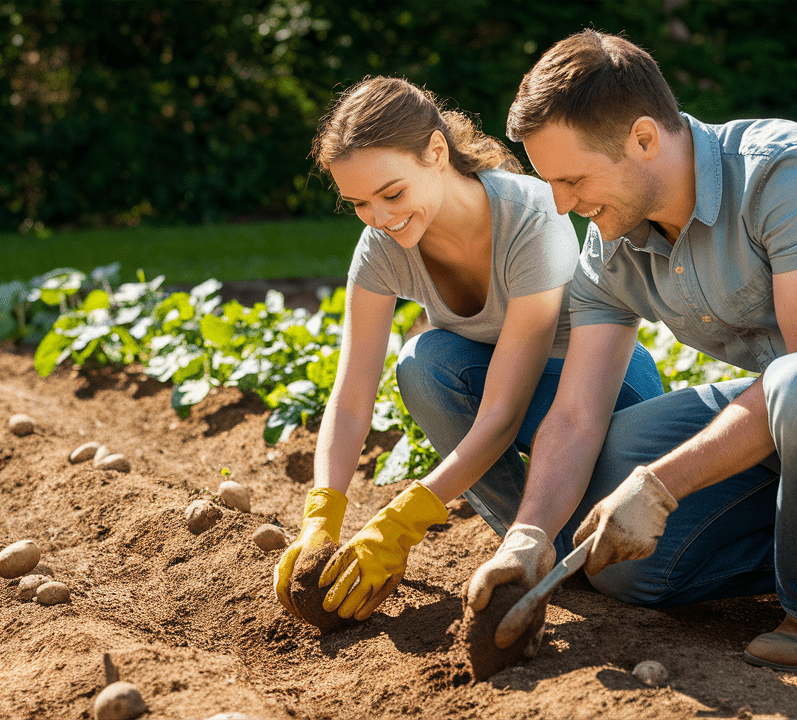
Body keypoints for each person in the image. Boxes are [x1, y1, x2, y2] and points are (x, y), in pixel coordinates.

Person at [466, 30, 797, 675]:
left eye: (573, 178)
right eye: (549, 182)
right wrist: (529, 536)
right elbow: (576, 414)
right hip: (795, 414)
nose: (560, 203)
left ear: (643, 138)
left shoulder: (785, 168)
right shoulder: (610, 248)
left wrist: (662, 488)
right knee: (630, 562)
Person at [272, 76, 664, 624]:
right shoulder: (382, 249)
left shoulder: (531, 216)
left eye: (392, 193)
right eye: (358, 203)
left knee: (636, 567)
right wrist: (322, 512)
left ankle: (553, 535)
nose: (380, 218)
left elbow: (503, 413)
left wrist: (404, 519)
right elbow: (352, 395)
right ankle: (526, 544)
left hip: (601, 397)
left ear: (436, 152)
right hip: (517, 402)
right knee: (424, 364)